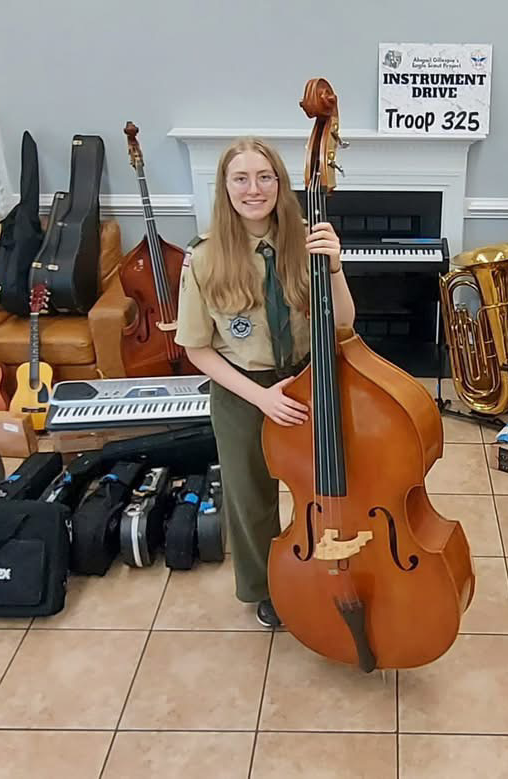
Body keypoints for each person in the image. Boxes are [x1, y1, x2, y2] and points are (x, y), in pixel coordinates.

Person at [174, 136, 356, 628]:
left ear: (280, 182)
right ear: (225, 186)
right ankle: (266, 587)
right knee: (250, 494)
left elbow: (344, 322)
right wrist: (261, 398)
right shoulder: (205, 257)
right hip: (242, 388)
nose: (253, 189)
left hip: (309, 379)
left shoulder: (307, 239)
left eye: (264, 177)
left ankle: (330, 566)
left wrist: (335, 267)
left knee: (326, 484)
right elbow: (197, 349)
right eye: (241, 178)